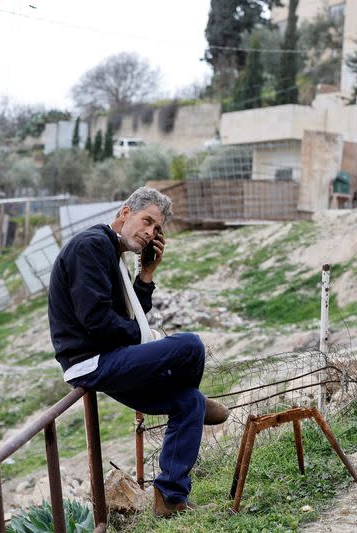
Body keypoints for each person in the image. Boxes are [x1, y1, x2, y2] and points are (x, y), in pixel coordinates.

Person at [48, 186, 229, 517]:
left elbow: (129, 320)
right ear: (124, 213)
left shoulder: (113, 254)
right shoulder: (92, 246)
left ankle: (170, 498)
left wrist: (145, 275)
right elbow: (98, 322)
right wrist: (150, 340)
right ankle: (200, 400)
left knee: (186, 402)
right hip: (91, 362)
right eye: (146, 221)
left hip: (112, 357)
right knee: (190, 345)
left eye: (157, 229)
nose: (149, 233)